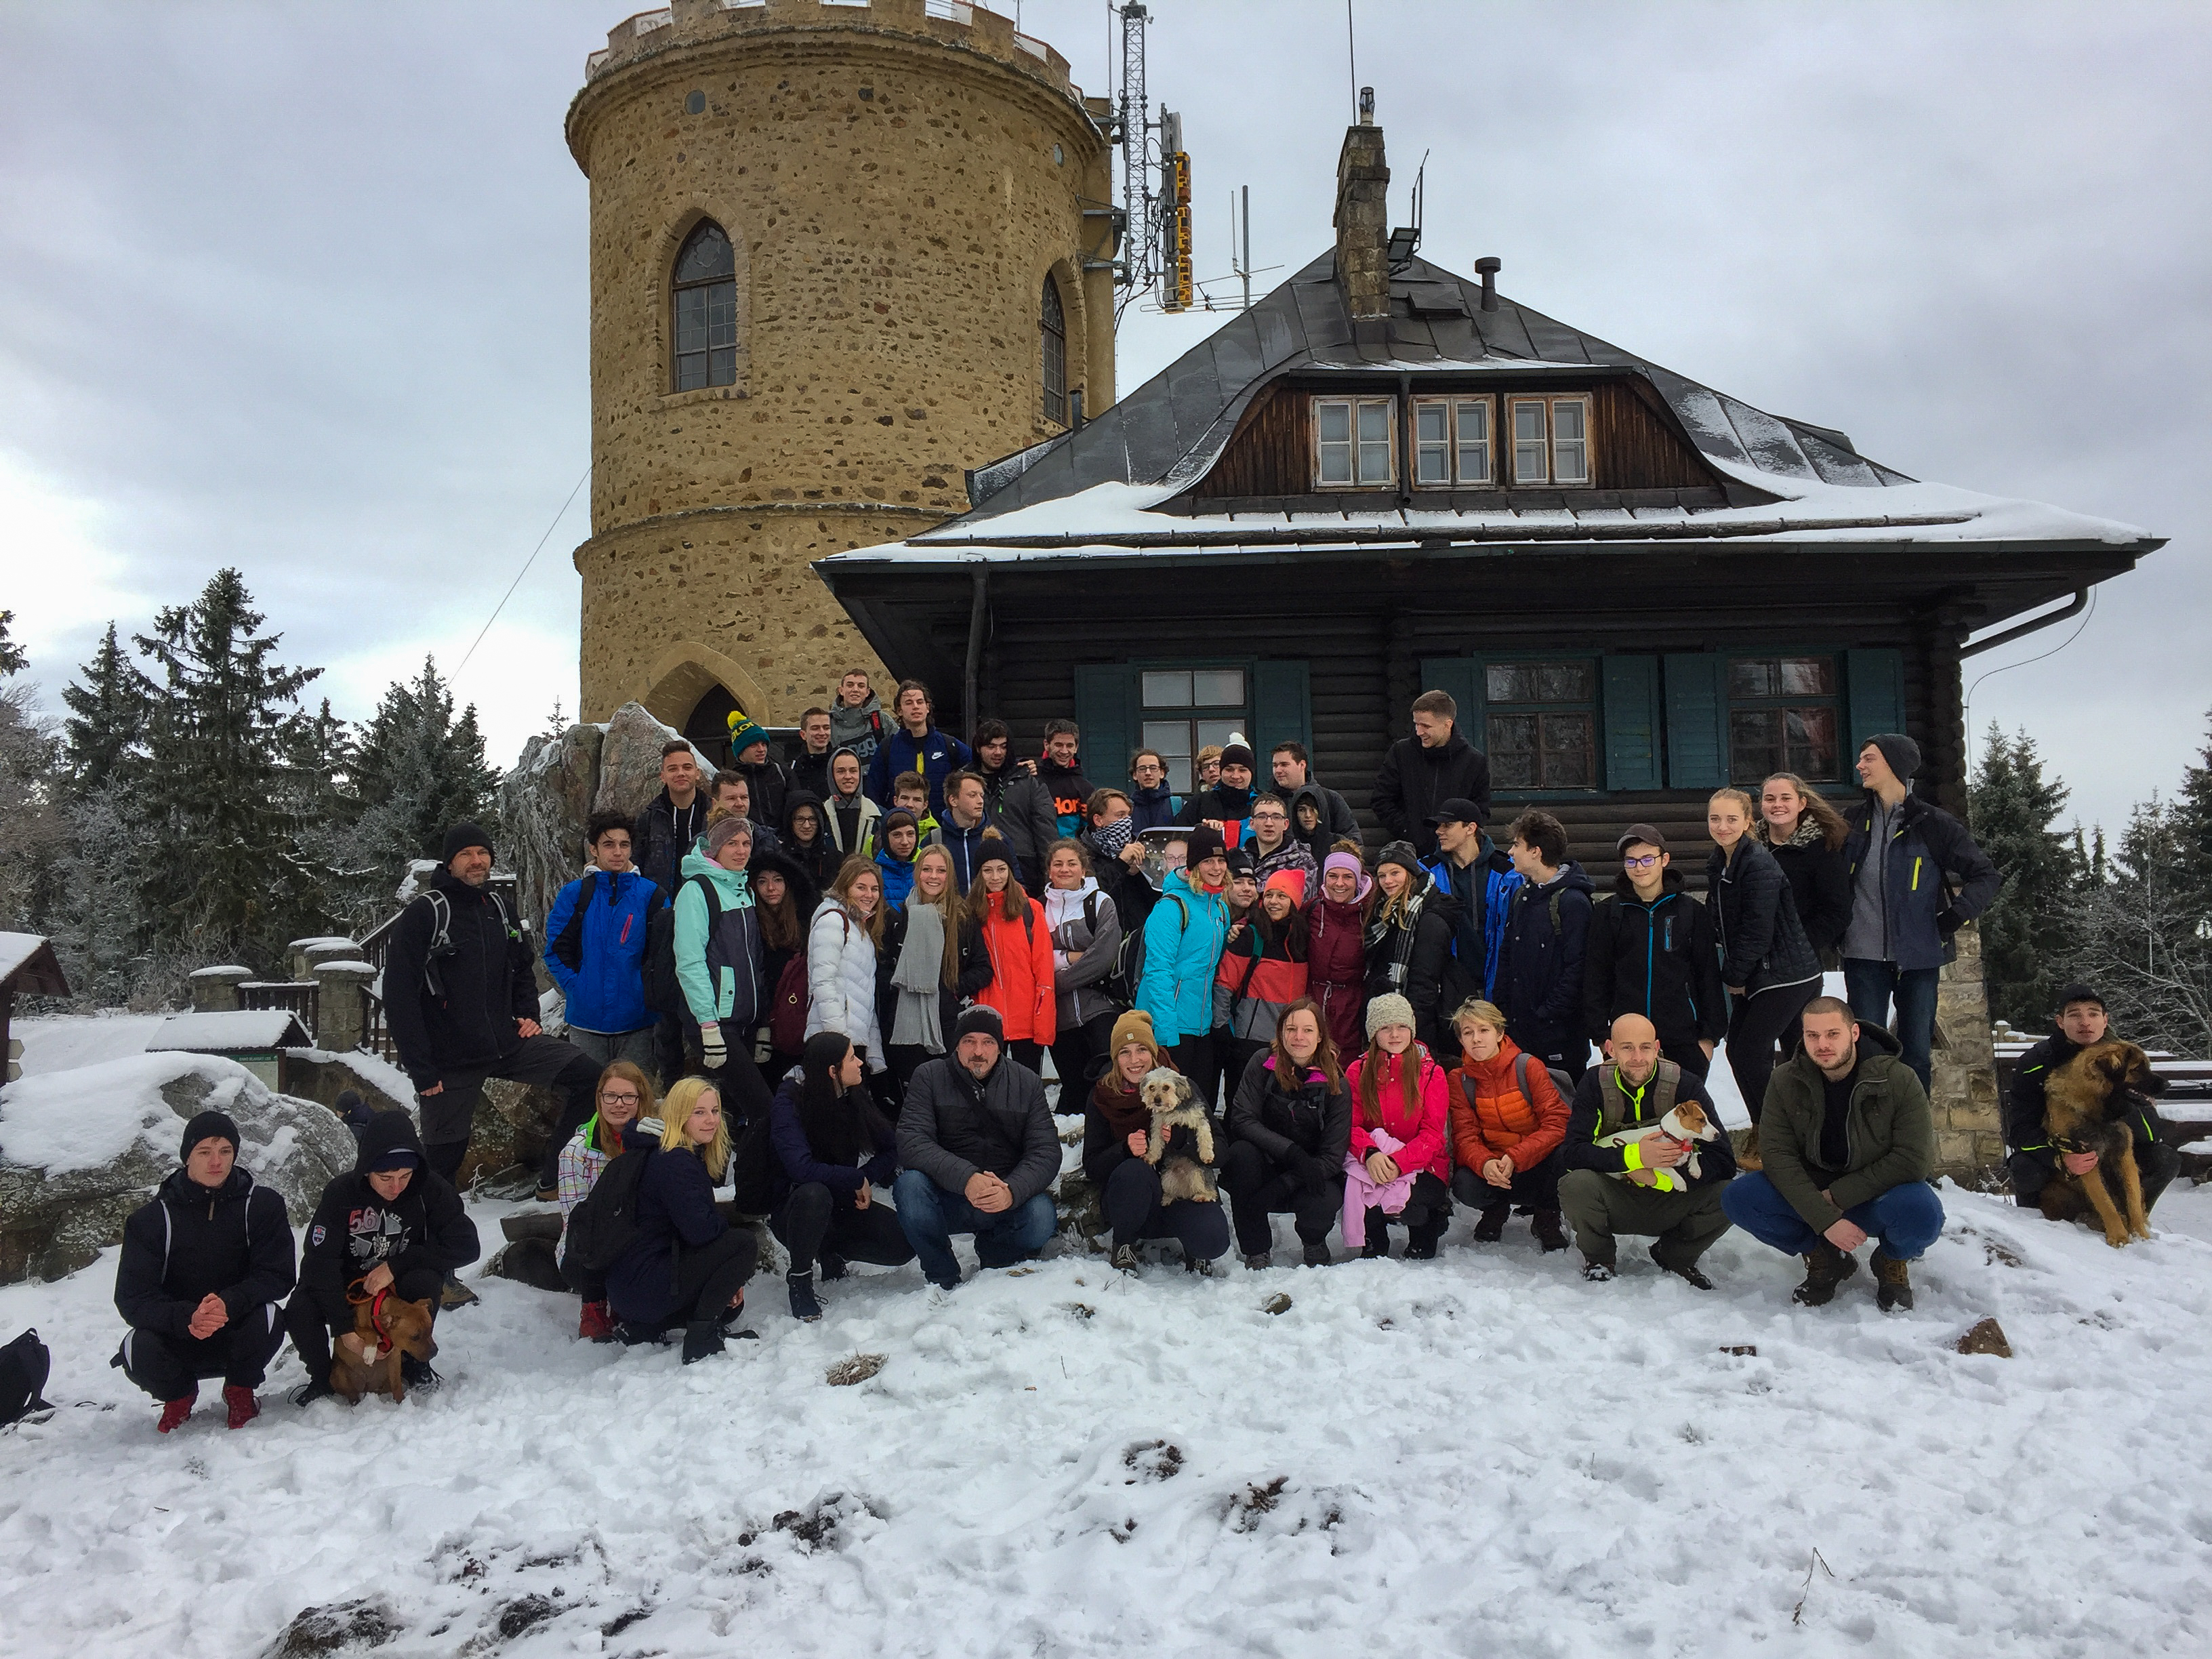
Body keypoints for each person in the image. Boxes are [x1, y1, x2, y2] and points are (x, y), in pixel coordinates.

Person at [384, 821, 603, 1193]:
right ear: (449, 863)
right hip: (451, 1058)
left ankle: (555, 1178)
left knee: (590, 1078)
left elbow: (522, 967)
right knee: (443, 1160)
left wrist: (528, 1014)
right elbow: (399, 996)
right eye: (466, 854)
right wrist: (421, 1067)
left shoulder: (500, 908)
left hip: (507, 1043)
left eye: (483, 853)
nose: (476, 861)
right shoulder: (426, 913)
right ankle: (430, 1223)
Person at [1723, 996, 1942, 1311]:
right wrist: (1824, 1219)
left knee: (1922, 1212)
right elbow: (1777, 1157)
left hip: (1877, 1194)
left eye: (1832, 1034)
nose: (1822, 1044)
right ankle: (1826, 1256)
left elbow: (1914, 1159)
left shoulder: (1899, 1079)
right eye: (1812, 1035)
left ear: (1854, 1033)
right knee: (1740, 1198)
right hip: (1812, 1192)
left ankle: (1891, 1261)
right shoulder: (1785, 1080)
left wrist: (1838, 1197)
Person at [112, 1110, 298, 1432]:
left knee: (269, 1317)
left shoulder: (261, 1205)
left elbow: (278, 1274)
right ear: (187, 1156)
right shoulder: (151, 1220)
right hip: (179, 1334)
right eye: (204, 1152)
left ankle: (240, 1389)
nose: (216, 1162)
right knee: (135, 1346)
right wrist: (188, 1317)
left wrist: (229, 1303)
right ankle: (178, 1396)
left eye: (225, 1151)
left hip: (237, 1328)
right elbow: (133, 1298)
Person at [1840, 733, 2001, 1090]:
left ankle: (1914, 1127)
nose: (1860, 765)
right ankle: (1868, 1124)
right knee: (1866, 1054)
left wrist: (1955, 916)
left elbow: (1986, 875)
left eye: (1869, 758)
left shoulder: (1933, 823)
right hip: (1862, 957)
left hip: (1920, 958)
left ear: (1894, 765)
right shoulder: (1851, 822)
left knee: (1915, 1056)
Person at [287, 1111, 480, 1406]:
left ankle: (415, 1362)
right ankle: (323, 1377)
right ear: (366, 1170)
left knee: (425, 1279)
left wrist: (397, 1265)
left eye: (405, 1176)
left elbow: (467, 1245)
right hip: (346, 1285)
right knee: (300, 1307)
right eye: (385, 1177)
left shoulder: (429, 1189)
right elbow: (318, 1263)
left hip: (399, 1284)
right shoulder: (341, 1194)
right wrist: (343, 1328)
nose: (396, 1187)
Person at [1559, 1014, 1737, 1286]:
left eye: (1645, 1047)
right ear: (1610, 1049)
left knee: (1732, 1194)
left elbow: (1723, 1159)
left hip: (1673, 1197)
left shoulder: (1685, 1085)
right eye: (1627, 1048)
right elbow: (1573, 1152)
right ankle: (1599, 1259)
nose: (1637, 1057)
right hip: (1617, 1194)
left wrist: (1659, 1179)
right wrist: (1633, 1158)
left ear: (1656, 1048)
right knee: (1575, 1184)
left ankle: (1676, 1255)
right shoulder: (1595, 1083)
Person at [893, 1006, 1062, 1291]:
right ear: (957, 1045)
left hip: (1003, 1193)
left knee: (1041, 1217)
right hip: (947, 1195)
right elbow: (912, 1140)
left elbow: (1046, 1150)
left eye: (988, 1042)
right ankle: (942, 1276)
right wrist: (967, 1178)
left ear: (1000, 1047)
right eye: (969, 1041)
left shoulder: (1026, 1082)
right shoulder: (929, 1076)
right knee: (910, 1187)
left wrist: (1011, 1191)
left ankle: (997, 1253)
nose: (978, 1051)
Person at [1706, 787, 1822, 1160]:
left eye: (1731, 819)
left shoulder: (1757, 863)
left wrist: (1734, 975)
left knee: (1751, 1051)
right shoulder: (1721, 863)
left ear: (1748, 822)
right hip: (1761, 973)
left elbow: (1759, 929)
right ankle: (1771, 1130)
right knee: (1741, 1052)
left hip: (1786, 974)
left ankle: (1775, 1134)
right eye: (1715, 819)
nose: (1722, 826)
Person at [606, 1078, 756, 1361]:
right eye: (699, 1112)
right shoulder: (675, 1160)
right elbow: (701, 1231)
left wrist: (729, 1278)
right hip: (645, 1284)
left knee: (729, 1308)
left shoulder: (666, 1151)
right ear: (678, 1115)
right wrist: (730, 1260)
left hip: (633, 1287)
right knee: (743, 1244)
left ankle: (646, 1328)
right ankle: (701, 1341)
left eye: (715, 1111)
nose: (711, 1120)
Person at [768, 1032, 914, 1320]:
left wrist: (865, 1177)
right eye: (852, 1058)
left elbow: (891, 1146)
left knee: (903, 1244)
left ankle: (830, 1253)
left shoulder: (853, 1093)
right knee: (815, 1193)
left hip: (841, 1203)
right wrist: (853, 1179)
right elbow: (800, 1169)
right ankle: (800, 1279)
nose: (860, 1063)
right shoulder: (789, 1101)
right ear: (832, 1071)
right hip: (795, 1209)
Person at [2005, 983, 2182, 1221]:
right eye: (2074, 1015)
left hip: (2111, 1150)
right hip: (2060, 1151)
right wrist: (2058, 1158)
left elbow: (2151, 1135)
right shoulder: (2036, 1062)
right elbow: (2020, 1131)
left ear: (2105, 1020)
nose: (2085, 1022)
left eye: (2093, 1014)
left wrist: (2121, 1099)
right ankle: (2036, 1224)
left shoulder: (2125, 1057)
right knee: (2025, 1169)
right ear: (2060, 1022)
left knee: (2165, 1159)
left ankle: (2133, 1217)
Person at [1083, 1011, 1231, 1273]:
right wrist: (1124, 1150)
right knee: (1134, 1170)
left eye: (1142, 1050)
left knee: (1212, 1240)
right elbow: (1093, 1165)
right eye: (1125, 1052)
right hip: (1131, 1200)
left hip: (1181, 1193)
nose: (1134, 1060)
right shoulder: (1103, 1096)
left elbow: (1220, 1152)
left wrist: (1183, 1140)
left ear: (1153, 1053)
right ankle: (1124, 1243)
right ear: (1115, 1058)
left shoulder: (1182, 1086)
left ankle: (1194, 1248)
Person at [1581, 825, 1725, 1080]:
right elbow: (1596, 976)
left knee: (1684, 1106)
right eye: (1631, 861)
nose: (1639, 867)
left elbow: (1708, 976)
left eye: (1647, 859)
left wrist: (1708, 1040)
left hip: (1683, 1040)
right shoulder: (1609, 913)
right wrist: (1602, 1037)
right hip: (1627, 1043)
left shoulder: (1690, 912)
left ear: (1664, 860)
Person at [1221, 999, 1351, 1268]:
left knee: (1326, 1198)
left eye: (1308, 1030)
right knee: (1241, 1155)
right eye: (1291, 1029)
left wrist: (1288, 1181)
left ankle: (1314, 1242)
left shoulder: (1337, 1084)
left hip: (1310, 1172)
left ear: (1320, 1036)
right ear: (1280, 1032)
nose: (1298, 1037)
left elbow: (1333, 1155)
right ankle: (1256, 1249)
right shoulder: (1261, 1062)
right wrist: (1291, 1152)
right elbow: (1242, 1119)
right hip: (1265, 1163)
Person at [671, 814, 775, 1127]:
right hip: (716, 1022)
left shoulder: (743, 888)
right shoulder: (697, 890)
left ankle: (732, 1159)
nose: (741, 851)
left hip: (745, 1020)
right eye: (732, 843)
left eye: (746, 843)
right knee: (763, 1108)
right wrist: (708, 1023)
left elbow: (755, 961)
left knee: (729, 1113)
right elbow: (690, 961)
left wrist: (763, 1022)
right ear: (715, 848)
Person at [1443, 999, 1570, 1252]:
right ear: (1461, 1040)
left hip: (1537, 1162)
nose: (1476, 1039)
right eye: (1468, 1033)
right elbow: (1464, 1137)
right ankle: (1495, 1209)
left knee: (1566, 1157)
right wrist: (1485, 1163)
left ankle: (1547, 1216)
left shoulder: (1527, 1066)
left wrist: (1517, 1156)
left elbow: (1558, 1122)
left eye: (1484, 1030)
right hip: (1495, 1167)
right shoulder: (1460, 1080)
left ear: (1500, 1033)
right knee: (1465, 1184)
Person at [543, 810, 662, 1072]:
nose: (617, 852)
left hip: (638, 1022)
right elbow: (555, 950)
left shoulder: (653, 895)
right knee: (590, 1093)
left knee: (634, 1093)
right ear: (593, 849)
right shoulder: (575, 894)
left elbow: (665, 955)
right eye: (609, 844)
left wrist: (646, 991)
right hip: (586, 1022)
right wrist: (578, 987)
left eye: (624, 844)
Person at [1343, 994, 1452, 1259]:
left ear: (1412, 1029)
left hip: (1423, 1164)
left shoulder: (1431, 1073)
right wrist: (1370, 1154)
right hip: (1373, 1159)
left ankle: (1429, 1223)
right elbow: (1350, 1124)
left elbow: (1433, 1134)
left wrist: (1399, 1162)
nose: (1395, 1034)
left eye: (1402, 1026)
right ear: (1373, 1033)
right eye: (1385, 1027)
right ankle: (1374, 1237)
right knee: (1361, 1183)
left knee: (1415, 1207)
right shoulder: (1358, 1071)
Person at [877, 844, 989, 1099]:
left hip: (947, 1024)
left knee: (948, 1097)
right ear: (917, 873)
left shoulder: (963, 918)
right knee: (914, 1098)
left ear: (950, 876)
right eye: (927, 869)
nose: (933, 876)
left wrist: (950, 987)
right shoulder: (899, 918)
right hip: (904, 1026)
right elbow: (882, 969)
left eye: (941, 870)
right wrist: (899, 986)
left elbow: (983, 968)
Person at [550, 1062, 653, 1340]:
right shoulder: (576, 1152)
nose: (619, 1104)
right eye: (611, 1096)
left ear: (641, 1099)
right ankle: (593, 1310)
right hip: (587, 1247)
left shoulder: (655, 1140)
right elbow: (575, 1218)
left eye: (628, 1097)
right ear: (600, 1098)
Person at [1494, 810, 1596, 1085]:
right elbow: (1507, 955)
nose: (1510, 852)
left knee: (1562, 1104)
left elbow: (1578, 968)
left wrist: (1547, 1014)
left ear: (1536, 851)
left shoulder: (1572, 902)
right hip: (1520, 1033)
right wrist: (1502, 1008)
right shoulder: (1522, 895)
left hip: (1559, 1039)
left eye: (1517, 844)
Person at [1137, 824, 1234, 1109]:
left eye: (1221, 860)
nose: (1216, 868)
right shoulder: (1171, 907)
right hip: (1172, 1022)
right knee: (1169, 1105)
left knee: (1198, 1103)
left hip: (1202, 1023)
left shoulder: (1219, 908)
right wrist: (1166, 1030)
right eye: (1208, 861)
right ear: (1193, 866)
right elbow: (1158, 971)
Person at [1041, 837, 1124, 1106]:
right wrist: (1069, 956)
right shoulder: (1038, 908)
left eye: (1072, 863)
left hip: (1099, 1007)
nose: (1065, 869)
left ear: (1084, 869)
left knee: (1107, 1083)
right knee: (1074, 1088)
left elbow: (1103, 958)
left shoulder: (1100, 903)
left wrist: (1054, 982)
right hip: (1060, 1017)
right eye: (1058, 864)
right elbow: (1035, 958)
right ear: (1049, 870)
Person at [1422, 798, 1521, 1010]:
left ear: (1471, 828)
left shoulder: (1508, 872)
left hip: (1497, 986)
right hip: (1444, 987)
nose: (1439, 831)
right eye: (1438, 826)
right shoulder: (1425, 872)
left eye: (1447, 825)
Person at [1363, 841, 1461, 1057]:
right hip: (1387, 1018)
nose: (1388, 881)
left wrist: (1410, 1030)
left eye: (1395, 873)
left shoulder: (1430, 919)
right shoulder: (1384, 913)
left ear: (1410, 874)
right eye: (1382, 875)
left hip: (1413, 1025)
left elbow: (1425, 982)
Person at [1216, 868, 1311, 1088]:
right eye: (1269, 895)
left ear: (1294, 902)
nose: (1273, 902)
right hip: (1249, 1042)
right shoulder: (1250, 935)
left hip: (1289, 1043)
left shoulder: (1302, 941)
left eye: (1282, 896)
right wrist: (1222, 1030)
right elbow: (1224, 984)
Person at [968, 836, 1057, 1073]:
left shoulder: (1030, 910)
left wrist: (1043, 1024)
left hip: (1026, 1021)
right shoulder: (970, 914)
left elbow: (1044, 970)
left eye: (1001, 869)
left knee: (1025, 1086)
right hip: (987, 1021)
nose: (995, 877)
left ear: (1010, 870)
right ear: (979, 874)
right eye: (987, 870)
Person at [1372, 689, 1492, 860]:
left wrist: (1457, 837)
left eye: (1426, 726)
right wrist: (1409, 831)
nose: (1419, 732)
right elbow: (1381, 800)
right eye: (1416, 724)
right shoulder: (1401, 753)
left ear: (1448, 724)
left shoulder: (1474, 761)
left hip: (1456, 857)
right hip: (1411, 855)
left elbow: (1481, 811)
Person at [1755, 773, 1851, 965]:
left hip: (1800, 961)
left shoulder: (1822, 849)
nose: (1777, 805)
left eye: (1786, 798)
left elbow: (1837, 911)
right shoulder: (1751, 847)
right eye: (1770, 799)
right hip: (1753, 958)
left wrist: (1798, 945)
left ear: (1801, 803)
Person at [808, 856, 888, 1074]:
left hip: (854, 1041)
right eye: (861, 887)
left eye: (874, 889)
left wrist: (874, 1051)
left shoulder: (859, 928)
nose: (869, 895)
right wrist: (840, 1041)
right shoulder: (833, 921)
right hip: (834, 1040)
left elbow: (864, 994)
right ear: (845, 887)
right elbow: (823, 983)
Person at [749, 847, 819, 1082]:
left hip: (798, 1016)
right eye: (763, 881)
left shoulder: (806, 921)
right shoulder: (750, 921)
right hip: (762, 1018)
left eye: (778, 880)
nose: (771, 888)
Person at [1004, 719, 1096, 892]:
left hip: (1069, 865)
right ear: (1047, 745)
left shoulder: (1085, 788)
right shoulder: (1032, 779)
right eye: (1058, 745)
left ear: (1076, 747)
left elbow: (1090, 832)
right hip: (1034, 862)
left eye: (1070, 746)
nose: (1064, 751)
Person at [866, 679, 972, 815]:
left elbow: (976, 769)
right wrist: (887, 820)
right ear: (899, 710)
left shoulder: (949, 744)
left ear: (928, 708)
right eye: (909, 703)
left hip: (941, 824)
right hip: (901, 824)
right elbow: (873, 793)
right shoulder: (887, 747)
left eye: (920, 702)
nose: (915, 707)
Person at [1307, 849, 1370, 1058]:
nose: (1339, 883)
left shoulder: (1370, 913)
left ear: (1357, 880)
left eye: (1347, 877)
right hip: (1314, 1001)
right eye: (1333, 876)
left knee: (1347, 1064)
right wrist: (1242, 925)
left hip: (1353, 1007)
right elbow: (1277, 922)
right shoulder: (1313, 910)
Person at [1079, 785, 1155, 937]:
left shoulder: (1138, 847)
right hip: (1103, 938)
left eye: (1128, 816)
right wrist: (1121, 864)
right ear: (1098, 820)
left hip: (1139, 936)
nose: (1127, 822)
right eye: (1120, 816)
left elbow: (1155, 899)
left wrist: (1140, 873)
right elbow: (1089, 897)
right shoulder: (1081, 856)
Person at [1271, 743, 1358, 851]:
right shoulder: (1269, 803)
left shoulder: (1330, 799)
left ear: (1302, 765)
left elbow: (1353, 842)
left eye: (1284, 765)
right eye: (1275, 766)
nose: (1278, 771)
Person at [1176, 737, 1261, 848]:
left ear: (1252, 773)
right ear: (1221, 772)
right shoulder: (1199, 803)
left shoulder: (1263, 804)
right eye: (1229, 770)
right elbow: (1178, 841)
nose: (1236, 776)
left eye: (1243, 770)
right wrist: (1201, 833)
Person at [926, 767, 1000, 894]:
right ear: (953, 800)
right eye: (973, 795)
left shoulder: (997, 838)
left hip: (987, 906)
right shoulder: (934, 840)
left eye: (981, 795)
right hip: (947, 906)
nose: (980, 801)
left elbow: (1015, 884)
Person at [724, 710, 786, 832]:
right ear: (741, 750)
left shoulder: (783, 774)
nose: (761, 749)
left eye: (764, 744)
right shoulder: (730, 781)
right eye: (754, 745)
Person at [1244, 794, 1319, 889]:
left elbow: (1295, 895)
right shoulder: (1239, 857)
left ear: (1286, 824)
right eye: (1262, 817)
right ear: (1252, 823)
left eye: (1276, 817)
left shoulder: (1302, 860)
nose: (1269, 823)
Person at [822, 747, 882, 864]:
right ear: (831, 775)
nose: (848, 776)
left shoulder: (879, 817)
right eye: (841, 771)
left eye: (853, 771)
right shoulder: (820, 815)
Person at [779, 789, 842, 890]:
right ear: (790, 822)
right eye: (800, 819)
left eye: (813, 819)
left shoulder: (835, 859)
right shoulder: (779, 858)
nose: (807, 826)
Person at [828, 668, 888, 769]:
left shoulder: (881, 720)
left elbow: (899, 752)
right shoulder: (828, 722)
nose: (855, 690)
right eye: (850, 685)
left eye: (861, 686)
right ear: (841, 690)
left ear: (867, 692)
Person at [710, 775, 780, 855]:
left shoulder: (768, 840)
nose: (740, 804)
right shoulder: (703, 843)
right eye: (731, 798)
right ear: (714, 803)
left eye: (744, 797)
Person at [787, 705, 838, 803]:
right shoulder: (793, 769)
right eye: (815, 728)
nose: (822, 733)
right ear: (803, 735)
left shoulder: (840, 764)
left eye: (826, 728)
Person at [875, 808, 921, 906]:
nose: (905, 842)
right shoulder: (876, 873)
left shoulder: (927, 871)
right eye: (897, 835)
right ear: (886, 838)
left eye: (910, 834)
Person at [1128, 747, 1181, 832]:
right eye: (1142, 769)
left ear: (1162, 773)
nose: (1148, 773)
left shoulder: (1178, 805)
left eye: (1153, 768)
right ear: (1135, 775)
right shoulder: (1127, 808)